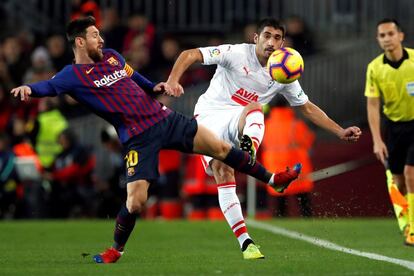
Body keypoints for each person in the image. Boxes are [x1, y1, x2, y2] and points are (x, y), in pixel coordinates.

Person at [10, 16, 302, 263]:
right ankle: (116, 249)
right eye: (95, 35)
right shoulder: (71, 75)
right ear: (80, 42)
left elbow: (134, 78)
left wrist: (156, 87)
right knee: (136, 202)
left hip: (164, 119)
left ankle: (273, 179)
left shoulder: (113, 56)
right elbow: (48, 87)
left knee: (222, 149)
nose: (101, 39)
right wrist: (28, 89)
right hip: (138, 139)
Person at [166, 18, 361, 258]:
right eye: (267, 36)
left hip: (241, 119)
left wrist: (340, 131)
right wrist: (173, 80)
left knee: (255, 107)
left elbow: (307, 107)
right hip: (209, 116)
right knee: (222, 170)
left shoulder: (282, 71)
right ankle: (246, 242)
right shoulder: (235, 53)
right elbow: (190, 53)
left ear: (283, 42)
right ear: (256, 38)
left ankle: (249, 154)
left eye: (277, 37)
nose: (271, 42)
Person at [364, 18, 414, 246]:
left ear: (400, 36)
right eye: (382, 35)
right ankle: (407, 225)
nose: (386, 39)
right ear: (378, 40)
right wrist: (377, 140)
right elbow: (373, 104)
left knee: (411, 173)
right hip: (394, 127)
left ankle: (413, 229)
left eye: (390, 34)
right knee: (398, 180)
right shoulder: (375, 68)